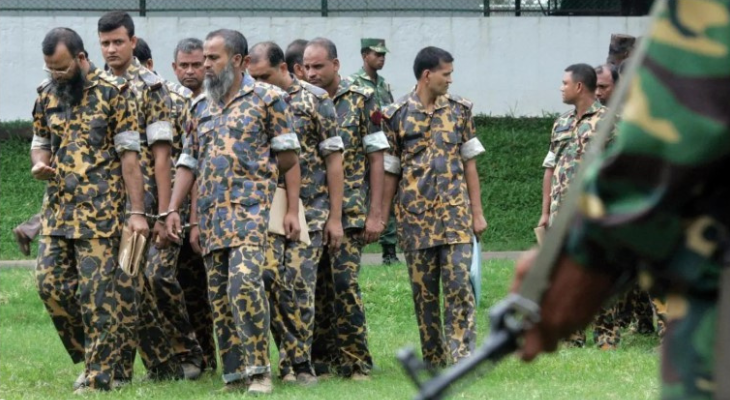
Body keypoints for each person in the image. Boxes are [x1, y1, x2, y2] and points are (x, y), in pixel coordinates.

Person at [513, 2, 730, 399]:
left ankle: (615, 332)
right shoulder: (561, 123)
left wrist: (589, 247)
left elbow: (666, 142)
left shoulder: (609, 120)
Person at [165, 29, 301, 395]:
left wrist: (263, 181)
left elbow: (289, 157)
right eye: (204, 58)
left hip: (253, 214)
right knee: (221, 298)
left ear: (239, 61)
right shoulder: (199, 107)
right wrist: (174, 209)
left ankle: (259, 372)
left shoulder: (268, 99)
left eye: (213, 58)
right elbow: (188, 162)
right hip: (212, 218)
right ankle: (234, 376)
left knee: (245, 287)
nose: (206, 65)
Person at [32, 27, 147, 393]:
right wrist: (39, 164)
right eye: (51, 69)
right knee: (49, 285)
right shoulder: (46, 96)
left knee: (98, 296)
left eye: (63, 68)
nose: (57, 76)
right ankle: (97, 356)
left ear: (82, 59)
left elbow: (130, 158)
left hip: (101, 214)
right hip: (57, 212)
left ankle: (98, 377)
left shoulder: (114, 95)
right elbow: (40, 144)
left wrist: (137, 212)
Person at [381, 46, 487, 368]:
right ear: (428, 75)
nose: (450, 80)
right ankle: (435, 358)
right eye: (446, 74)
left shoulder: (460, 110)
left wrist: (477, 214)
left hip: (456, 216)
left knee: (459, 287)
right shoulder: (395, 115)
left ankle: (463, 357)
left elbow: (470, 164)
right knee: (424, 297)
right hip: (415, 219)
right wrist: (382, 217)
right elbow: (390, 170)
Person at [248, 40, 345, 386]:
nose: (259, 82)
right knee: (268, 280)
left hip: (312, 209)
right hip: (269, 209)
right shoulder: (252, 102)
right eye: (253, 77)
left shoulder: (315, 100)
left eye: (265, 75)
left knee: (299, 285)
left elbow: (334, 160)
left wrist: (335, 217)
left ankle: (298, 364)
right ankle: (287, 357)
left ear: (285, 68)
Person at [97, 10, 182, 383]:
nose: (111, 49)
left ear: (133, 42)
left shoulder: (152, 87)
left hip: (140, 205)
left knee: (126, 281)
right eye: (105, 43)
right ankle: (165, 362)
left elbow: (162, 155)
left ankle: (116, 369)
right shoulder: (91, 85)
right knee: (119, 284)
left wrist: (163, 213)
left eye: (118, 42)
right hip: (97, 203)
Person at [303, 37, 388, 379]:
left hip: (351, 212)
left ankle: (356, 361)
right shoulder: (300, 100)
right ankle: (322, 360)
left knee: (344, 284)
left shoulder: (362, 99)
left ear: (336, 65)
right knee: (317, 288)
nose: (312, 73)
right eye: (307, 67)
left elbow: (377, 157)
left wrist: (376, 213)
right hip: (312, 209)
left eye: (318, 66)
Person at [132, 37, 209, 377]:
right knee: (132, 281)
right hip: (134, 210)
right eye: (184, 65)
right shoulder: (112, 99)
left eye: (197, 65)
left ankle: (193, 353)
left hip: (175, 210)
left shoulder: (177, 102)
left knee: (169, 280)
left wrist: (180, 214)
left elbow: (190, 162)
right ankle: (158, 362)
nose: (190, 72)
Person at [349, 38, 399, 265]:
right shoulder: (352, 83)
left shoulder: (384, 85)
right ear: (364, 55)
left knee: (388, 198)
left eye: (383, 55)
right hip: (362, 151)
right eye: (377, 54)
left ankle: (389, 249)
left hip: (386, 150)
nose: (382, 58)